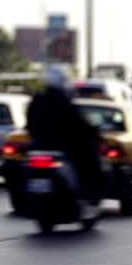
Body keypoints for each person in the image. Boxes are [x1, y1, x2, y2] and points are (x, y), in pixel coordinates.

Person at [25, 67, 104, 204]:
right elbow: (80, 124)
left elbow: (29, 123)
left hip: (39, 145)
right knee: (89, 162)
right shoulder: (63, 102)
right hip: (63, 147)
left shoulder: (37, 100)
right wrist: (94, 134)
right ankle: (88, 195)